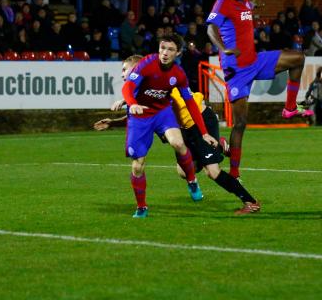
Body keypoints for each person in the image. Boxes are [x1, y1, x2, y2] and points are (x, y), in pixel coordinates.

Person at [97, 55, 260, 215]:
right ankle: (218, 147)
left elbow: (171, 97)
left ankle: (251, 202)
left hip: (199, 121)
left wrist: (126, 102)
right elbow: (141, 114)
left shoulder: (160, 80)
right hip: (183, 128)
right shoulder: (143, 89)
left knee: (212, 172)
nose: (122, 74)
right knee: (183, 172)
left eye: (125, 69)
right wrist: (114, 121)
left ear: (137, 69)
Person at [206, 0, 313, 179]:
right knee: (240, 123)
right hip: (236, 69)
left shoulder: (246, 3)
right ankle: (235, 173)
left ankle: (290, 108)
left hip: (255, 61)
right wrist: (223, 47)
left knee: (298, 58)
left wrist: (254, 10)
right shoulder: (222, 3)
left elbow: (246, 11)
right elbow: (210, 29)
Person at [121, 34, 218, 218]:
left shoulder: (178, 74)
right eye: (162, 48)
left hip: (162, 112)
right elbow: (127, 87)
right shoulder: (147, 64)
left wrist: (204, 132)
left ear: (178, 52)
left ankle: (192, 180)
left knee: (178, 143)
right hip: (140, 116)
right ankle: (141, 207)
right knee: (137, 166)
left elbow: (189, 103)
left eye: (170, 49)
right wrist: (132, 103)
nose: (164, 53)